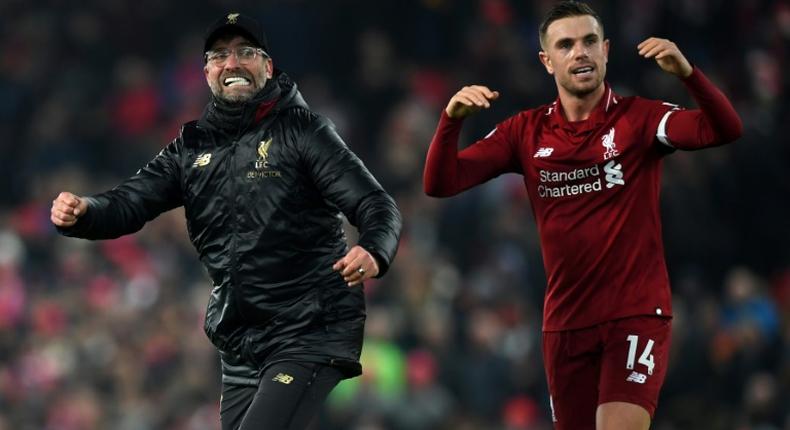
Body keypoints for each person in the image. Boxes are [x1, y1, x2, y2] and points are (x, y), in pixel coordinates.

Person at [50, 12, 402, 430]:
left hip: (307, 329)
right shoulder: (191, 146)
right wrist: (85, 211)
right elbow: (131, 202)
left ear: (267, 66)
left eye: (245, 52)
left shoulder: (304, 132)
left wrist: (374, 250)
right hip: (241, 343)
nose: (232, 64)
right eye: (219, 56)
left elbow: (377, 205)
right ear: (206, 72)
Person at [423, 1, 742, 429]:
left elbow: (723, 129)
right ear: (547, 61)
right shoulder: (525, 132)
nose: (581, 52)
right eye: (567, 44)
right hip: (566, 325)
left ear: (606, 50)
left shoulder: (639, 120)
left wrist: (688, 74)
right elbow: (440, 183)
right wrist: (450, 120)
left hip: (634, 314)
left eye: (590, 41)